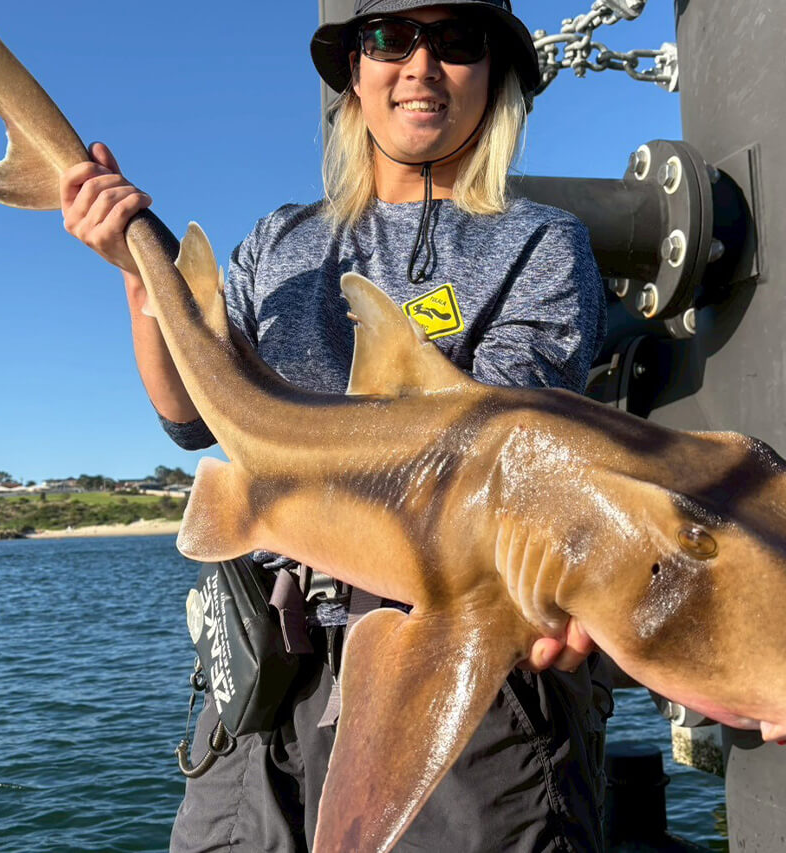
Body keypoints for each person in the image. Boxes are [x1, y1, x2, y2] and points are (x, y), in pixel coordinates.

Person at [60, 1, 613, 849]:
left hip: (451, 666)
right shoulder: (279, 241)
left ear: (494, 77)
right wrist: (141, 279)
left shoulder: (539, 243)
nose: (422, 66)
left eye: (457, 42)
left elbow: (492, 460)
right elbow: (190, 419)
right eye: (392, 38)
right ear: (354, 71)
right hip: (269, 671)